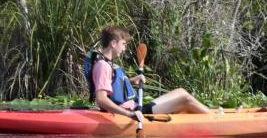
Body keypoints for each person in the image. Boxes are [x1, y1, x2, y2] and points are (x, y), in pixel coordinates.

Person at [83, 25, 214, 121]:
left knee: (181, 91)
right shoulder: (102, 66)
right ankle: (216, 120)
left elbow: (115, 86)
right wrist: (129, 115)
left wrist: (133, 80)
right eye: (123, 44)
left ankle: (210, 115)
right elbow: (101, 99)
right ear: (113, 43)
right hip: (135, 112)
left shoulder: (108, 64)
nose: (124, 48)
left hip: (136, 107)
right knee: (185, 100)